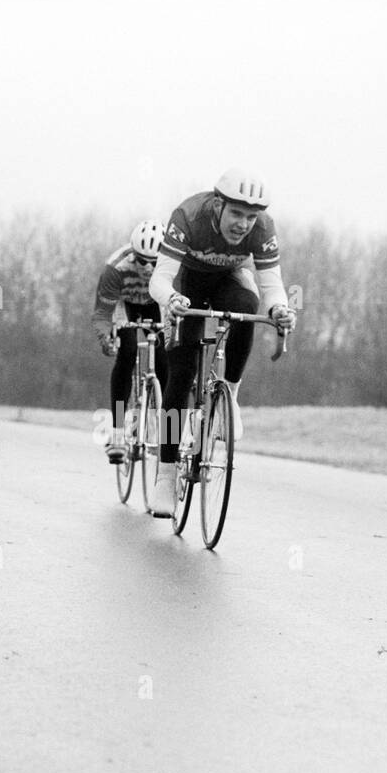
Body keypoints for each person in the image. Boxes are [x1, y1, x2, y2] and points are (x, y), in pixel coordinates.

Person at [146, 167, 297, 516]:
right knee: (180, 374)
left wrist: (281, 309)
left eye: (250, 216)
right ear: (217, 205)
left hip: (228, 279)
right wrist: (170, 299)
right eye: (236, 214)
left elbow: (272, 286)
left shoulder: (263, 229)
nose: (243, 224)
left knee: (248, 306)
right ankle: (166, 477)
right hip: (184, 283)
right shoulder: (188, 216)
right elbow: (160, 280)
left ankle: (231, 394)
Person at [92, 220, 170, 463]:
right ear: (133, 253)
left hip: (157, 305)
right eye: (141, 260)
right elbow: (102, 314)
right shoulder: (116, 268)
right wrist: (106, 337)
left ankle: (168, 433)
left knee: (168, 360)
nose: (147, 268)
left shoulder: (172, 266)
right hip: (125, 306)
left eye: (153, 262)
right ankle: (117, 433)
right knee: (126, 353)